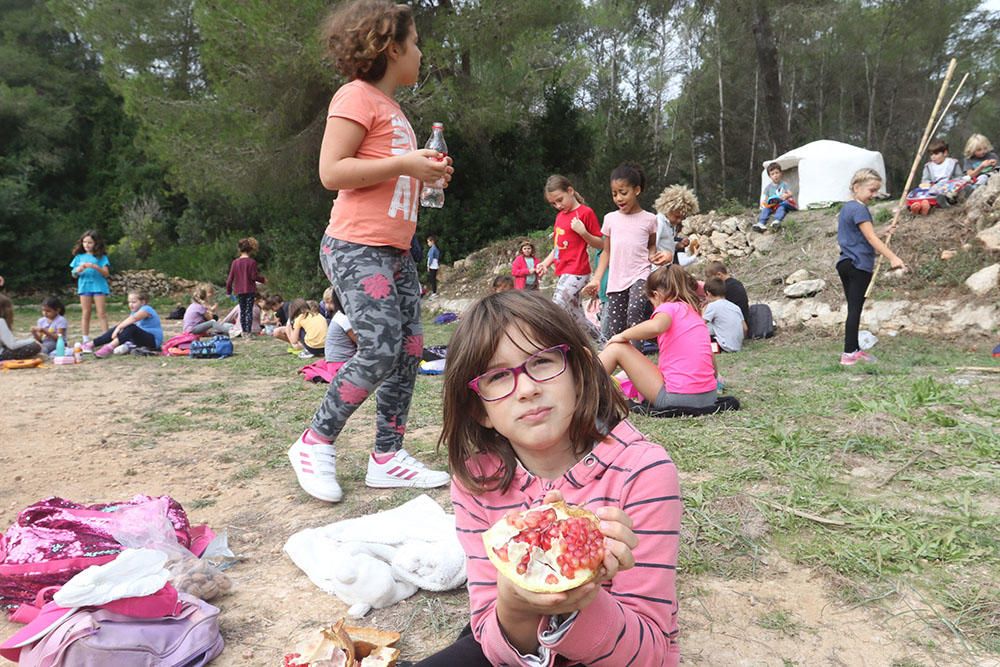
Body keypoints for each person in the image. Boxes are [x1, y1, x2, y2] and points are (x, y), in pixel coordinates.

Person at [418, 290, 679, 666]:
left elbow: (651, 654)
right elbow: (491, 637)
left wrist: (579, 598)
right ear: (480, 409)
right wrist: (515, 605)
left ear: (578, 371)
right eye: (497, 377)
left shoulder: (644, 471)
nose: (527, 389)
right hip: (512, 641)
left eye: (542, 362)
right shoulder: (476, 483)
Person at [288, 0, 454, 503]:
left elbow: (391, 168)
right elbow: (331, 171)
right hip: (356, 246)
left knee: (407, 351)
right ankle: (314, 441)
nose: (422, 52)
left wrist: (422, 171)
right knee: (380, 347)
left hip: (396, 250)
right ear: (392, 46)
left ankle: (387, 456)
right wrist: (406, 162)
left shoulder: (394, 111)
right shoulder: (355, 97)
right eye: (417, 41)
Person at [600, 264, 718, 410]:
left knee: (617, 348)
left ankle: (580, 387)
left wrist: (622, 335)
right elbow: (710, 359)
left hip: (676, 398)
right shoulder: (694, 314)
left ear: (656, 295)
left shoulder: (668, 307)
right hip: (709, 397)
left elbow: (657, 326)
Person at [584, 163, 660, 346]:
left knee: (634, 316)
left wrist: (653, 255)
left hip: (640, 275)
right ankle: (624, 363)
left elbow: (651, 245)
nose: (618, 198)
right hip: (616, 280)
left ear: (637, 190)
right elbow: (606, 252)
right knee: (616, 328)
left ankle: (637, 362)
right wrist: (596, 279)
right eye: (614, 193)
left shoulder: (650, 219)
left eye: (623, 192)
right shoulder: (610, 219)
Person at [837, 168, 906, 366]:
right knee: (855, 309)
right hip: (858, 264)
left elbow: (860, 235)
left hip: (845, 263)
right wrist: (893, 257)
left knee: (854, 308)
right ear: (857, 187)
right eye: (871, 190)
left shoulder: (847, 208)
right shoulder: (859, 209)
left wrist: (883, 231)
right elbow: (869, 237)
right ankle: (849, 353)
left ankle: (853, 349)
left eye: (876, 191)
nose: (874, 195)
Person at [535, 175, 604, 342]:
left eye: (560, 200)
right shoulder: (560, 217)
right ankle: (604, 343)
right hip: (564, 272)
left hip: (577, 271)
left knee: (556, 306)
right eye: (553, 203)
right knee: (577, 317)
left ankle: (550, 343)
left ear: (570, 191)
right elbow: (559, 247)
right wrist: (545, 262)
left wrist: (583, 232)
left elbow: (601, 244)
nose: (558, 206)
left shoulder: (585, 213)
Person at [70, 230, 110, 349]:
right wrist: (78, 270)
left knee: (101, 313)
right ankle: (85, 339)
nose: (87, 245)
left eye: (90, 242)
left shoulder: (101, 257)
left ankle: (106, 338)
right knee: (86, 312)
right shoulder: (78, 257)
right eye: (84, 242)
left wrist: (95, 266)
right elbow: (73, 274)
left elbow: (106, 273)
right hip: (84, 287)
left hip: (99, 287)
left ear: (96, 243)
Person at [93, 291, 163, 358]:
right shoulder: (134, 312)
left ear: (143, 302)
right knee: (123, 326)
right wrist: (118, 328)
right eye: (129, 302)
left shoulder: (147, 309)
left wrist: (119, 328)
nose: (130, 304)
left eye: (134, 302)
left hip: (153, 341)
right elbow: (125, 324)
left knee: (130, 327)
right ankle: (91, 344)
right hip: (140, 339)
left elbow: (134, 319)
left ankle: (109, 347)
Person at [226, 237, 265, 337]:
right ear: (250, 249)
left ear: (239, 249)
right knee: (249, 311)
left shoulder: (235, 263)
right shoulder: (252, 262)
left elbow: (230, 278)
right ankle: (248, 332)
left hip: (239, 290)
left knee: (242, 310)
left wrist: (228, 291)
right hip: (250, 289)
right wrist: (263, 280)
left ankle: (243, 331)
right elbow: (253, 276)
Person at [652, 184, 700, 267]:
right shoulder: (659, 223)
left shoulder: (671, 225)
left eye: (682, 218)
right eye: (677, 217)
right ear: (668, 209)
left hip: (666, 267)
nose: (679, 220)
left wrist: (677, 245)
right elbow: (652, 247)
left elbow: (664, 245)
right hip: (657, 269)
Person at [703, 277, 745, 352]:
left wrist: (704, 308)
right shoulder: (735, 307)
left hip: (722, 346)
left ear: (708, 293)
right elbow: (745, 328)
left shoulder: (712, 306)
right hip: (737, 346)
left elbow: (700, 325)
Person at [704, 261, 750, 325]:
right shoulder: (736, 283)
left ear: (719, 274)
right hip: (742, 320)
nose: (709, 281)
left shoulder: (724, 288)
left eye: (710, 278)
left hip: (736, 323)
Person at [754, 162, 797, 231]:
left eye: (777, 173)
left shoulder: (784, 184)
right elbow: (766, 199)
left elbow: (790, 193)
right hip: (772, 206)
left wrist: (786, 195)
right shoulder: (768, 187)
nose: (775, 175)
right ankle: (761, 223)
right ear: (770, 176)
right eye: (772, 174)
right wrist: (765, 203)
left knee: (781, 207)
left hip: (781, 204)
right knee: (765, 209)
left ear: (781, 173)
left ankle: (777, 221)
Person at [324, 290, 357, 377]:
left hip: (334, 364)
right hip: (340, 366)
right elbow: (359, 341)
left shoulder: (338, 315)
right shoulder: (344, 318)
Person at [0, 294, 42, 361]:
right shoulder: (1, 321)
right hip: (1, 355)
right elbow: (12, 345)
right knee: (35, 346)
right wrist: (32, 340)